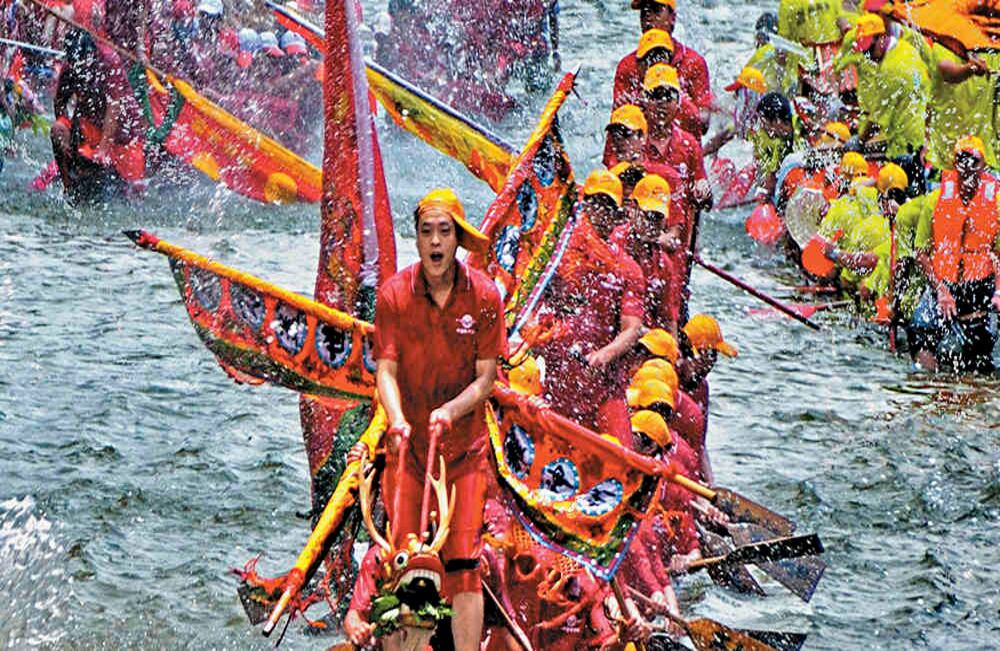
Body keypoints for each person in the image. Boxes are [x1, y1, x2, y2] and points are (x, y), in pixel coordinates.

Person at [372, 188, 506, 651]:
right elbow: (385, 372)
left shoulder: (486, 296)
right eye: (426, 231)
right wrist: (395, 419)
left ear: (457, 241)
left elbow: (487, 379)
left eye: (444, 232)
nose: (435, 241)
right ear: (416, 240)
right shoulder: (392, 295)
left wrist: (450, 410)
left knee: (464, 565)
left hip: (464, 451)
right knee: (402, 560)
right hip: (409, 452)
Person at [531, 170, 644, 444]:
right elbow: (530, 301)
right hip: (557, 380)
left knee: (624, 460)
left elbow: (632, 329)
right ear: (583, 204)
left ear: (618, 216)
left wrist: (605, 355)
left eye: (608, 207)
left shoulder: (628, 270)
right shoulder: (557, 254)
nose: (601, 213)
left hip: (604, 387)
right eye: (595, 203)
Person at [913, 136, 1000, 373]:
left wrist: (998, 293)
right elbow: (921, 253)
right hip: (943, 286)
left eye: (973, 161)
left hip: (980, 288)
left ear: (983, 166)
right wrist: (941, 290)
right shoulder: (934, 200)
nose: (967, 167)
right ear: (955, 164)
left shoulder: (997, 202)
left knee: (983, 350)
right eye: (962, 160)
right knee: (921, 330)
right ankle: (929, 391)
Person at [852, 13, 930, 163]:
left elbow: (876, 120)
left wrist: (859, 142)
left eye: (869, 50)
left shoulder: (889, 70)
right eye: (864, 52)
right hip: (920, 137)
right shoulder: (906, 49)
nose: (868, 56)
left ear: (881, 37)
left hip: (903, 145)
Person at [629, 0, 712, 136]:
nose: (648, 17)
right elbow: (616, 135)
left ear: (672, 18)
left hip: (683, 153)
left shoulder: (694, 63)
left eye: (656, 10)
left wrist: (674, 98)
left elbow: (703, 124)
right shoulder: (627, 65)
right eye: (644, 12)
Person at [612, 28, 704, 137]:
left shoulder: (683, 104)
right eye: (650, 58)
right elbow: (613, 149)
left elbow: (699, 132)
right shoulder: (628, 104)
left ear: (670, 62)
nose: (655, 63)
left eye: (660, 57)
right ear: (639, 66)